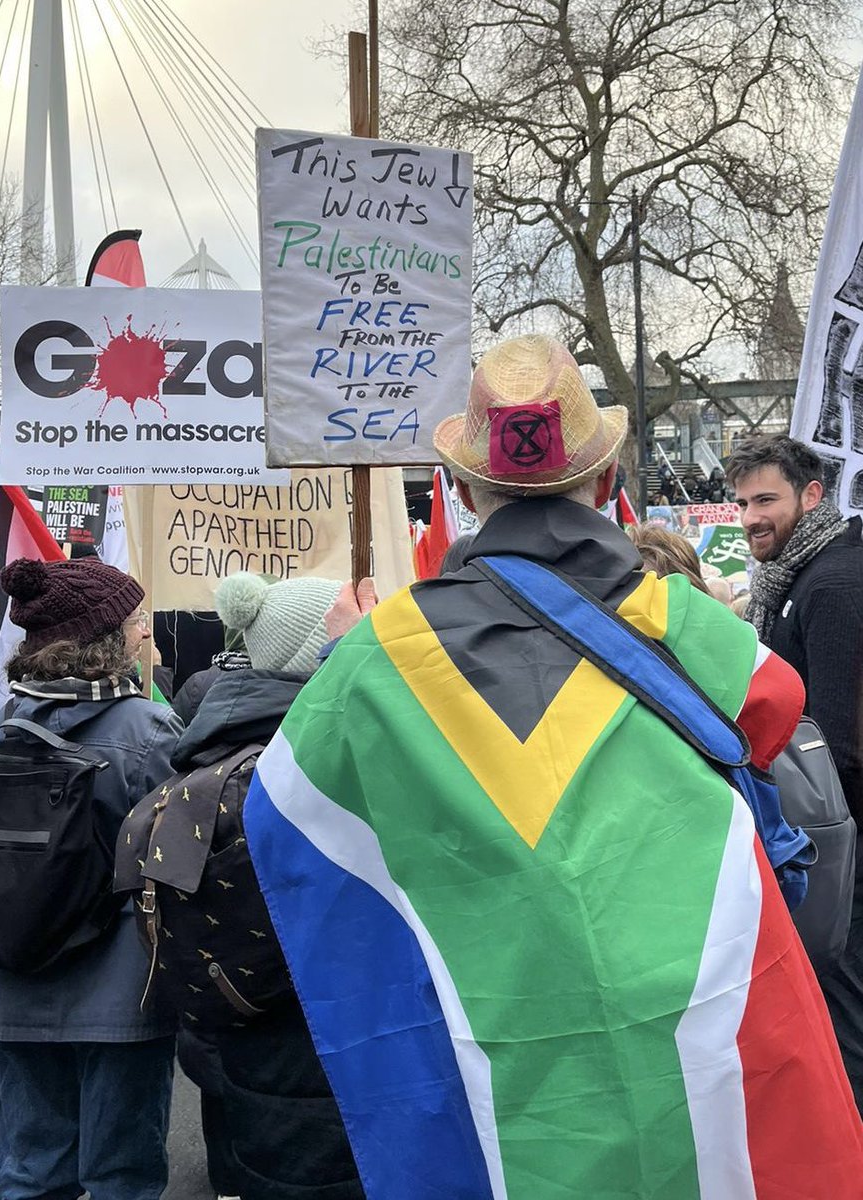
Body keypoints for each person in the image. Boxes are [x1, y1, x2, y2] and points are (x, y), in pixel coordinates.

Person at [245, 335, 863, 1197]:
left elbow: (285, 813)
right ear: (607, 485)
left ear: (461, 491)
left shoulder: (379, 656)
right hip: (698, 1024)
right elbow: (776, 705)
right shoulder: (678, 618)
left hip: (508, 1036)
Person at [0, 557, 182, 1200]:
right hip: (121, 985)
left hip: (15, 975)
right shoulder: (147, 730)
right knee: (121, 1172)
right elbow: (179, 857)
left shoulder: (3, 728)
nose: (145, 632)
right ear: (104, 639)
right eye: (135, 621)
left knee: (32, 1168)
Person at [163, 570, 364, 1200]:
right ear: (315, 651)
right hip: (330, 1043)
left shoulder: (207, 739)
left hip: (235, 1024)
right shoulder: (319, 752)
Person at [727, 433, 863, 1108]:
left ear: (811, 496)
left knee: (848, 1015)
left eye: (766, 499)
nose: (751, 514)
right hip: (833, 840)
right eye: (743, 500)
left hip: (843, 845)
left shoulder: (833, 581)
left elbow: (835, 743)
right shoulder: (797, 576)